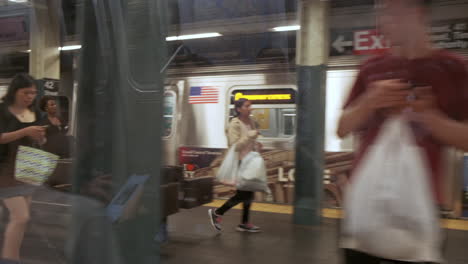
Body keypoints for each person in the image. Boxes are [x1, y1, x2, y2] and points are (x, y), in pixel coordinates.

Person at [337, 0, 468, 263]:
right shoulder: (370, 68)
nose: (381, 22)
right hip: (366, 207)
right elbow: (343, 128)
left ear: (415, 11)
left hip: (418, 209)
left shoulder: (452, 68)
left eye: (389, 12)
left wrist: (429, 116)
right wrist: (370, 100)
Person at [0, 73, 46, 263]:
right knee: (20, 217)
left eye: (33, 93)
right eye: (26, 93)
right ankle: (10, 259)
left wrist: (41, 138)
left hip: (28, 166)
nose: (30, 97)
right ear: (15, 92)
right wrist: (25, 131)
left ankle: (13, 255)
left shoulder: (36, 113)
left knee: (21, 219)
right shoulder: (2, 111)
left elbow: (40, 140)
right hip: (4, 169)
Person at [208, 98, 262, 233]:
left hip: (250, 161)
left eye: (251, 105)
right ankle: (218, 213)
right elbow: (235, 145)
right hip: (240, 162)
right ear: (239, 109)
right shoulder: (234, 124)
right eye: (247, 106)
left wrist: (256, 145)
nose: (251, 108)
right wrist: (250, 136)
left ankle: (244, 223)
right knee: (243, 195)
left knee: (248, 194)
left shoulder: (252, 122)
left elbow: (250, 141)